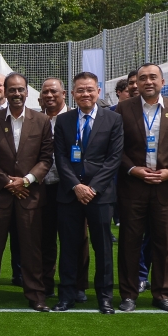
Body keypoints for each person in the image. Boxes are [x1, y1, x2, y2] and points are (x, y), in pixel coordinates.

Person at [115, 63, 168, 313]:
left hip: (166, 188)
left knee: (163, 243)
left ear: (163, 81)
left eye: (153, 77)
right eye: (143, 78)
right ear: (136, 84)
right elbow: (115, 147)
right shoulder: (123, 109)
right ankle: (128, 295)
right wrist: (133, 169)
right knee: (129, 242)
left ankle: (162, 295)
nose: (148, 82)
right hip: (133, 188)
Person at [0, 72, 54, 311]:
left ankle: (35, 295)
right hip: (0, 196)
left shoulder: (41, 121)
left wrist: (27, 181)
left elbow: (46, 158)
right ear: (5, 92)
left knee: (32, 249)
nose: (17, 94)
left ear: (27, 92)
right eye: (12, 90)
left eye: (21, 89)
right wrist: (7, 182)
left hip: (29, 196)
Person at [51, 72, 124, 314]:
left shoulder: (113, 119)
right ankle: (67, 295)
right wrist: (76, 186)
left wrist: (92, 188)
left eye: (90, 89)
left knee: (102, 247)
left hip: (100, 194)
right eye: (80, 90)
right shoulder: (64, 121)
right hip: (70, 193)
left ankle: (105, 297)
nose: (85, 94)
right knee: (70, 246)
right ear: (72, 93)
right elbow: (60, 157)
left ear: (98, 91)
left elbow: (113, 159)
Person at [38, 78, 67, 297]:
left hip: (69, 187)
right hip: (42, 186)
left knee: (73, 239)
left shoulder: (74, 117)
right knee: (44, 238)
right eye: (45, 92)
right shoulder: (37, 120)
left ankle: (75, 285)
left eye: (53, 92)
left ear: (63, 94)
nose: (49, 95)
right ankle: (46, 283)